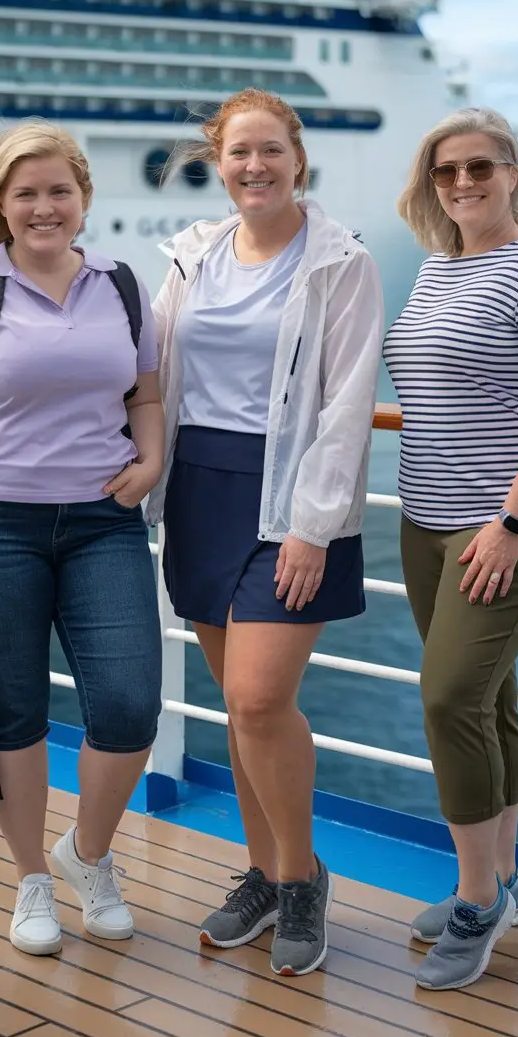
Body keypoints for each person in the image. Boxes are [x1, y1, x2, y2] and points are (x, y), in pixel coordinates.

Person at [0, 121, 164, 957]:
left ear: (83, 196)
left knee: (128, 706)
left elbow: (146, 396)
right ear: (0, 205)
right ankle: (31, 882)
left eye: (59, 190)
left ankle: (87, 856)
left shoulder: (121, 285)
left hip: (103, 524)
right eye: (26, 194)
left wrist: (151, 458)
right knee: (13, 712)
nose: (45, 207)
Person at [145, 88, 384, 978]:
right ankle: (262, 870)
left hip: (291, 501)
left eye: (271, 150)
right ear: (220, 159)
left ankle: (302, 879)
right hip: (201, 493)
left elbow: (348, 401)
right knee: (238, 709)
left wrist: (313, 526)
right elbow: (155, 371)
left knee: (256, 699)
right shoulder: (193, 258)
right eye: (239, 152)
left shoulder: (340, 261)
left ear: (298, 157)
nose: (256, 166)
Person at [384, 107, 518, 991]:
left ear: (512, 171)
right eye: (446, 171)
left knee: (446, 700)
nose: (463, 183)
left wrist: (509, 525)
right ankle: (505, 884)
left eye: (480, 167)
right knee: (488, 700)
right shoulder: (439, 268)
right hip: (426, 523)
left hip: (514, 529)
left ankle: (476, 901)